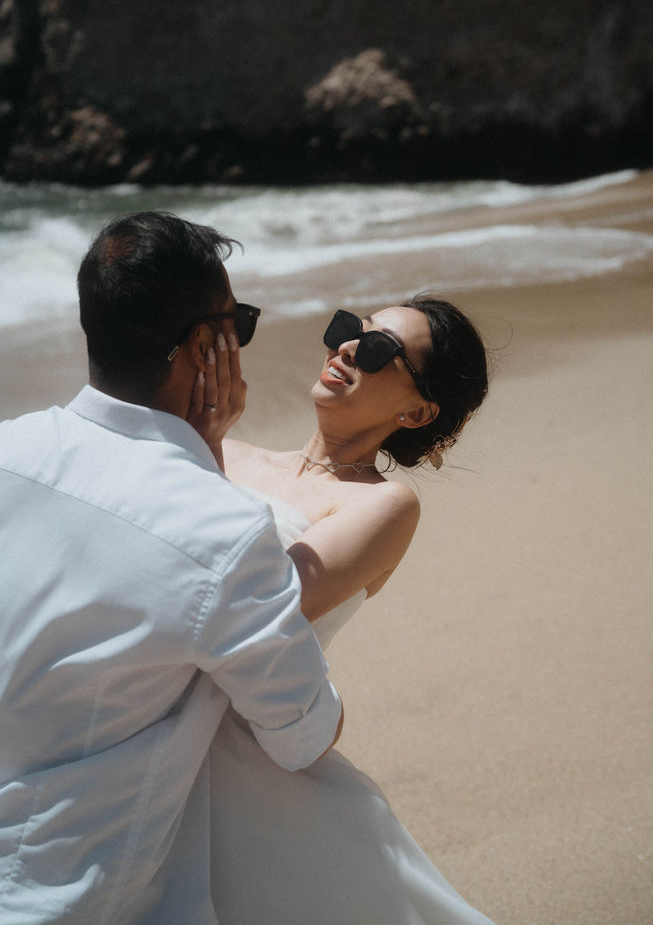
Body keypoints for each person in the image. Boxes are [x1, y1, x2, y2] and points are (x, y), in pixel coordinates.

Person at [0, 211, 343, 923]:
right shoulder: (219, 528)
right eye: (237, 323)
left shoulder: (10, 447)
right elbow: (301, 734)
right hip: (60, 895)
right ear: (204, 347)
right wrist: (206, 459)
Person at [192, 299, 496, 923]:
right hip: (144, 720)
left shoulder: (383, 505)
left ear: (417, 412)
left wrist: (201, 447)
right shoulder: (229, 448)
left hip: (247, 768)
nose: (349, 347)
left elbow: (262, 603)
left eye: (382, 349)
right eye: (350, 329)